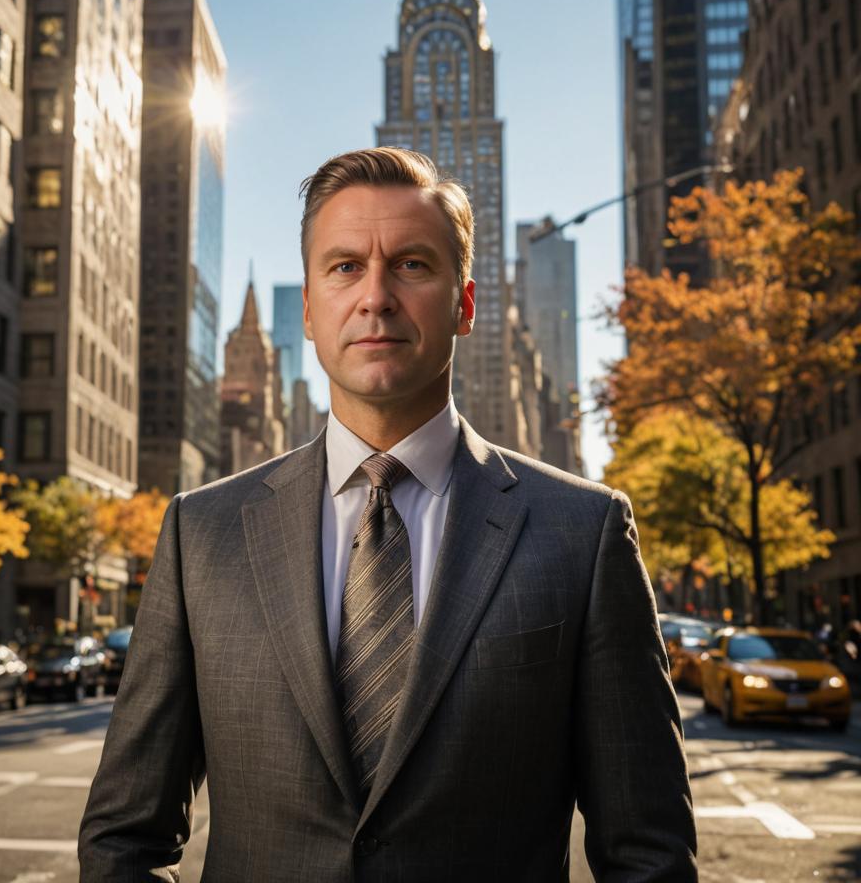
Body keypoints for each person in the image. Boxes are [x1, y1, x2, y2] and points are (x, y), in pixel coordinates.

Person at [79, 148, 697, 880]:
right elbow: (125, 836)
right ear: (308, 312)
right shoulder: (200, 533)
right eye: (344, 267)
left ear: (465, 304)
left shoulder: (584, 534)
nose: (375, 297)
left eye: (411, 265)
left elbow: (648, 855)